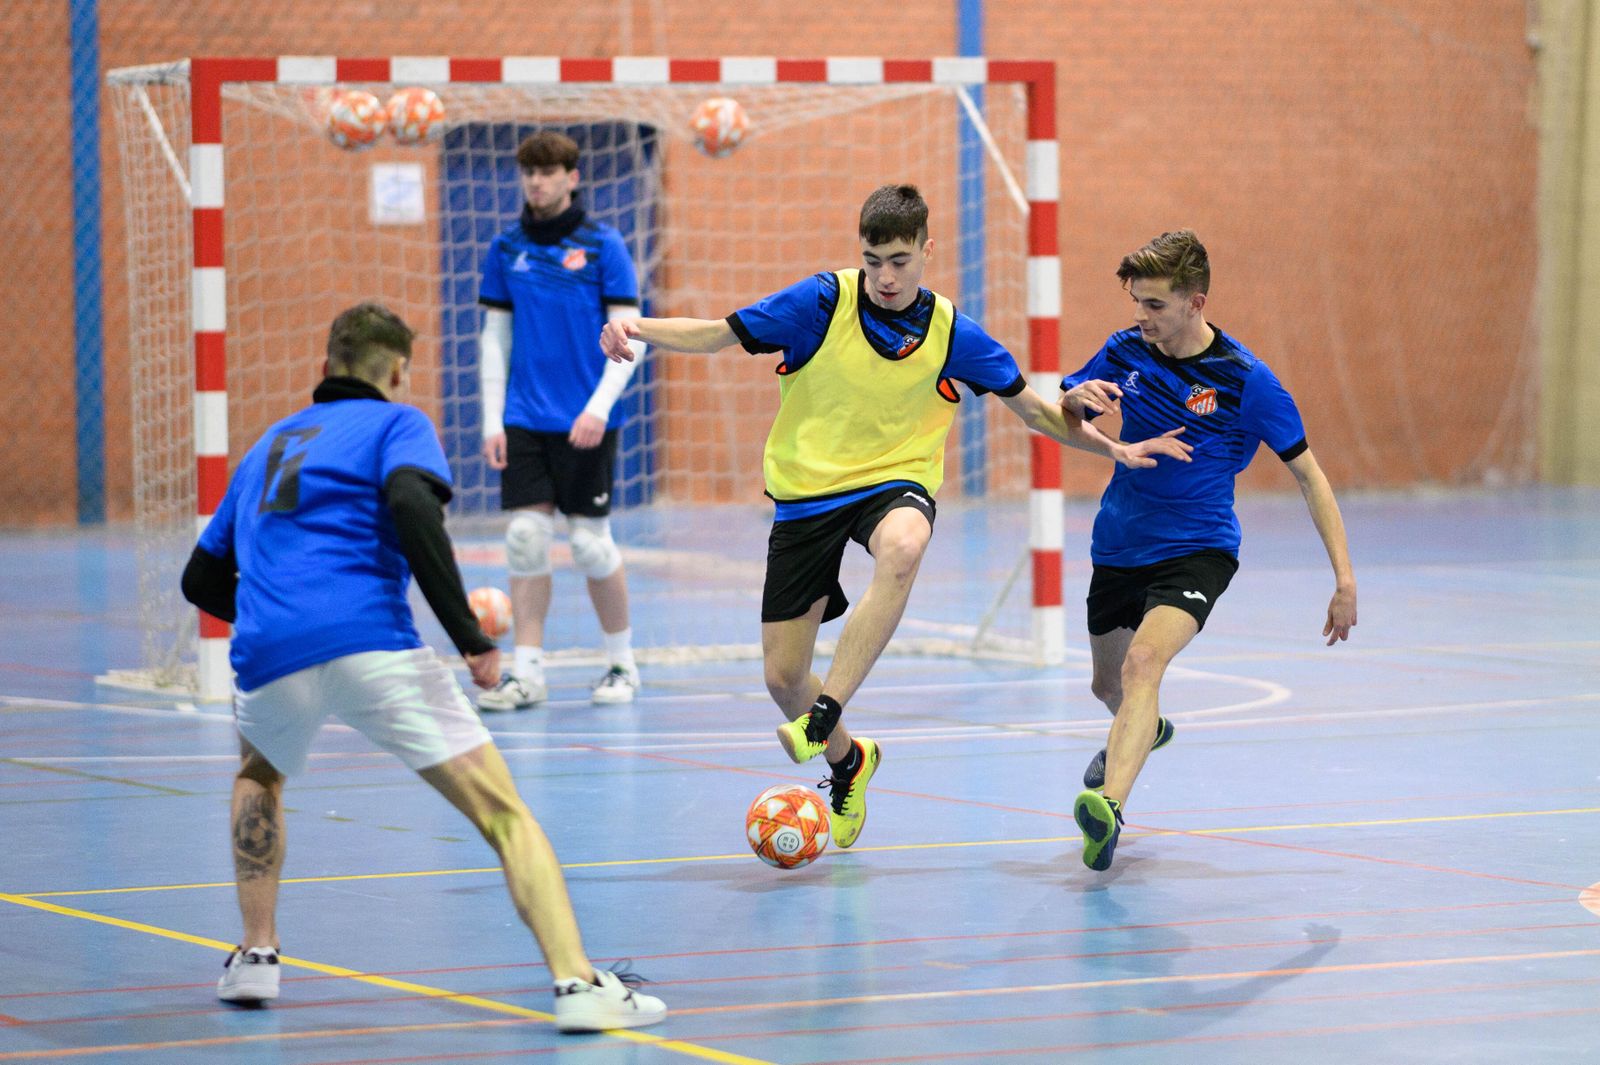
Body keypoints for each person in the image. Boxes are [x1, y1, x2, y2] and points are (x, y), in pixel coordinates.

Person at [600, 185, 1193, 850]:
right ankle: (849, 759)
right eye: (874, 259)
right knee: (781, 676)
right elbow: (716, 334)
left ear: (927, 252)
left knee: (905, 544)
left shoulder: (951, 333)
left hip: (895, 482)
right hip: (806, 494)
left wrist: (1114, 447)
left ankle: (827, 713)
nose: (886, 276)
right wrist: (636, 327)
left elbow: (1031, 407)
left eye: (901, 261)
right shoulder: (820, 302)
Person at [180, 303, 666, 1032]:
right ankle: (578, 984)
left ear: (325, 367)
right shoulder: (398, 425)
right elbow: (411, 503)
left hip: (269, 648)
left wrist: (275, 611)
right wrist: (472, 638)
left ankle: (256, 958)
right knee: (504, 815)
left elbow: (200, 579)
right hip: (371, 641)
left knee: (259, 773)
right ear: (399, 373)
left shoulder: (266, 446)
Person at [1060, 229, 1358, 871]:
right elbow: (1069, 409)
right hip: (1117, 544)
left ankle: (1107, 808)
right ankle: (1147, 729)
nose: (1141, 316)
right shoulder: (1124, 349)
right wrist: (1074, 400)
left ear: (1196, 303)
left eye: (1156, 305)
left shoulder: (1246, 381)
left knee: (1144, 664)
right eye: (1136, 302)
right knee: (1107, 684)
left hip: (1197, 550)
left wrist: (1344, 579)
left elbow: (1311, 474)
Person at [476, 130, 646, 711]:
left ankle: (621, 664)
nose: (537, 181)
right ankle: (527, 673)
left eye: (549, 172)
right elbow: (495, 337)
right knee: (525, 539)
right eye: (529, 172)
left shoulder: (604, 244)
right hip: (524, 416)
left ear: (573, 177)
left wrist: (598, 408)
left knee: (590, 545)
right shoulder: (505, 248)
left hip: (586, 417)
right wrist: (491, 419)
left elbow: (633, 335)